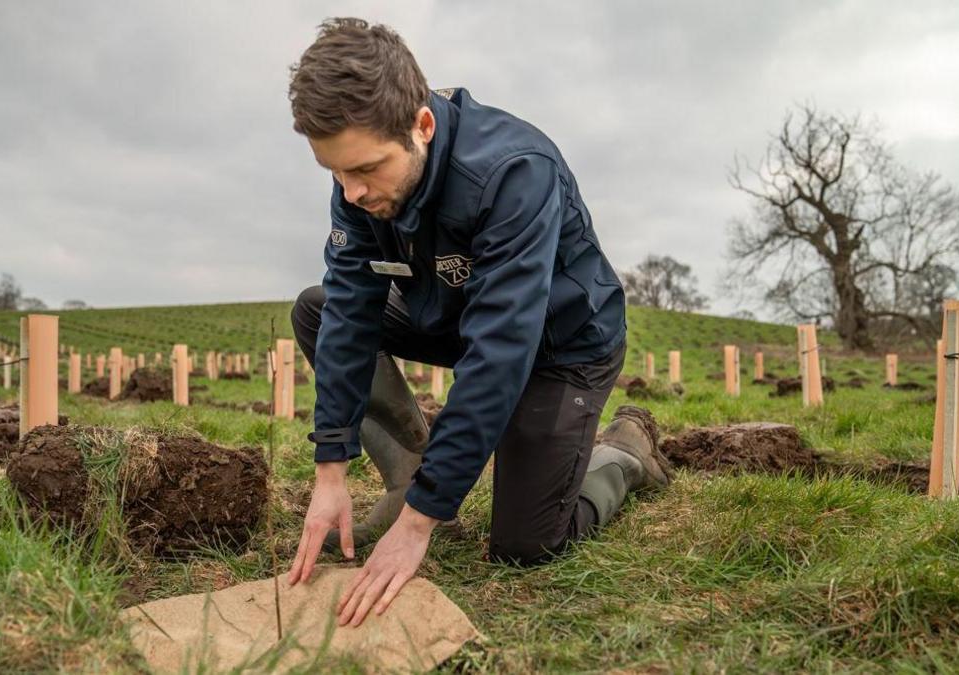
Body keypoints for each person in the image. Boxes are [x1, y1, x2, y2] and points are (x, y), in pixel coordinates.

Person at [284, 18, 673, 627]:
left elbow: (500, 352)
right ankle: (408, 466)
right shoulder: (358, 190)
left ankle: (623, 452)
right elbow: (350, 312)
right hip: (454, 315)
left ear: (422, 126)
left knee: (526, 544)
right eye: (334, 172)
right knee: (318, 307)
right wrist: (330, 468)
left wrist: (420, 523)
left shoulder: (515, 172)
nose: (351, 191)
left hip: (560, 344)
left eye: (365, 169)